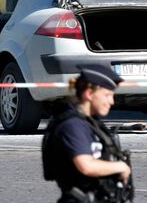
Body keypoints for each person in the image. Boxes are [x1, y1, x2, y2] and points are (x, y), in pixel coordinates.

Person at [42, 64, 133, 203]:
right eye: (107, 95)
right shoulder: (73, 126)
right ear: (89, 93)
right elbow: (86, 165)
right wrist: (120, 167)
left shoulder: (90, 124)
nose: (112, 101)